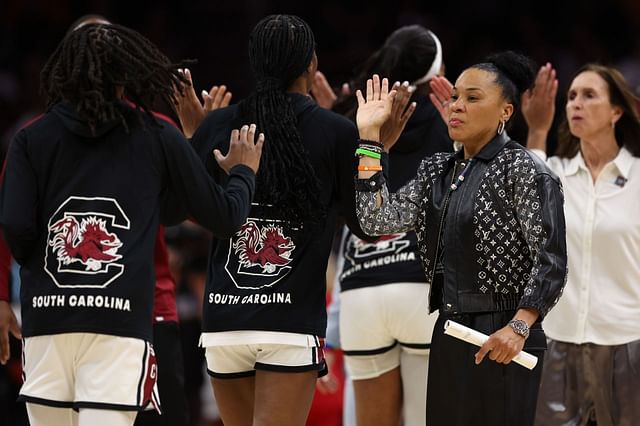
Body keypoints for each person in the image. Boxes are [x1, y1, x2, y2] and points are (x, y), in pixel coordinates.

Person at [0, 23, 262, 426]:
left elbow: (15, 228)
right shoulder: (157, 132)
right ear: (128, 71)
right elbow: (222, 218)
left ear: (66, 69)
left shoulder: (30, 137)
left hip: (48, 322)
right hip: (121, 322)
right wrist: (243, 172)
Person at [175, 14, 391, 426]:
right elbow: (370, 225)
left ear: (255, 63)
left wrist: (195, 138)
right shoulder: (335, 132)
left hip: (224, 319)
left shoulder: (219, 124)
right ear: (312, 65)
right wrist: (372, 145)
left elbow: (191, 212)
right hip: (288, 326)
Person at [353, 51, 567, 426]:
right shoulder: (436, 168)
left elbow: (551, 259)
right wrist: (370, 141)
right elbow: (375, 220)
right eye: (454, 96)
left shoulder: (524, 169)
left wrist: (519, 326)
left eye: (472, 97)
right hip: (449, 328)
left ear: (506, 111)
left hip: (506, 332)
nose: (457, 106)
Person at [321, 25, 452, 426]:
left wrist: (334, 117)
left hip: (362, 289)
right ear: (437, 70)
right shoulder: (454, 116)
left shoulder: (356, 118)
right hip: (421, 287)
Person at [522, 63, 640, 426]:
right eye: (571, 96)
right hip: (558, 340)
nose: (576, 103)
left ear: (616, 111)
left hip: (628, 344)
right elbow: (522, 202)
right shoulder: (553, 172)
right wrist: (537, 130)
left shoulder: (638, 178)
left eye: (589, 96)